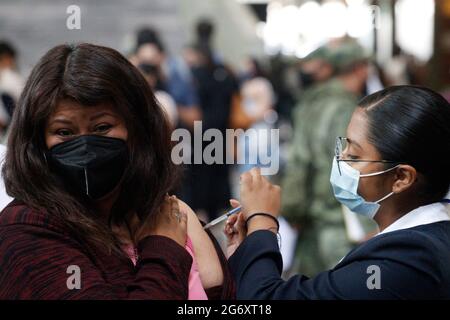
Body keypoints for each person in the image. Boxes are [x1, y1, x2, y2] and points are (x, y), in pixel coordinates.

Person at [0, 43, 235, 300]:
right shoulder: (25, 234)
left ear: (138, 129)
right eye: (64, 132)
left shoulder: (159, 212)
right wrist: (164, 248)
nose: (86, 147)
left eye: (102, 127)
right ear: (36, 142)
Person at [226, 85, 450, 299]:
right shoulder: (424, 240)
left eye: (354, 156)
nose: (340, 160)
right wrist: (247, 254)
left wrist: (262, 222)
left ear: (401, 177)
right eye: (345, 147)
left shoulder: (406, 261)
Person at [281, 41, 376, 277]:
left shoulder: (309, 103)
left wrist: (293, 208)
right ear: (360, 68)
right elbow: (352, 166)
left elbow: (299, 160)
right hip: (341, 222)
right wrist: (367, 224)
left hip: (308, 218)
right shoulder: (349, 108)